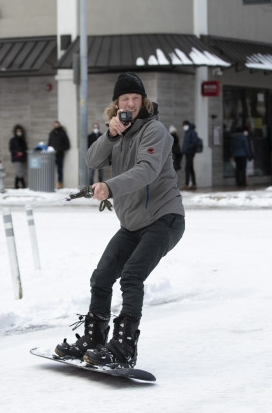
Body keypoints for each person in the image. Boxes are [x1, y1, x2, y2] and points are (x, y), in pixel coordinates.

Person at [55, 72, 185, 369]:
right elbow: (91, 160)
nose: (130, 103)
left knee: (131, 276)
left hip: (164, 218)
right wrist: (110, 135)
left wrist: (110, 187)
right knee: (101, 277)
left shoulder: (155, 132)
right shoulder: (117, 133)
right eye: (124, 99)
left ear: (143, 101)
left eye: (135, 98)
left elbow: (147, 171)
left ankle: (124, 346)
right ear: (116, 104)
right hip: (132, 224)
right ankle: (94, 339)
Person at [48, 121, 71, 189]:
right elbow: (49, 143)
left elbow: (67, 145)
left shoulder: (62, 133)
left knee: (59, 170)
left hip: (60, 154)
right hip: (52, 155)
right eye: (54, 125)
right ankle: (50, 183)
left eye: (57, 125)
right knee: (51, 169)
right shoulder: (52, 133)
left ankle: (59, 183)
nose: (56, 126)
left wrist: (59, 149)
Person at [180, 120, 199, 190]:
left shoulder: (192, 132)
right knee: (190, 168)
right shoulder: (188, 132)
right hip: (188, 152)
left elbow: (195, 142)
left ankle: (187, 184)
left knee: (187, 168)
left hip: (190, 152)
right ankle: (194, 184)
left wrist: (188, 148)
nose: (184, 127)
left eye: (184, 125)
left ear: (187, 125)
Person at [9, 124, 28, 189]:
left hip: (22, 158)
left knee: (19, 172)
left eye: (20, 131)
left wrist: (22, 152)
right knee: (19, 171)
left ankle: (16, 185)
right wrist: (17, 152)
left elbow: (25, 148)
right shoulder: (13, 140)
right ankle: (23, 185)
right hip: (16, 157)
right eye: (18, 131)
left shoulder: (23, 140)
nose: (19, 132)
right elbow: (11, 149)